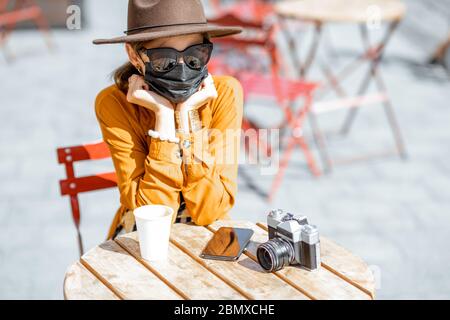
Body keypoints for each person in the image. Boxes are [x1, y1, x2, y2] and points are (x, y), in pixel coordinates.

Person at [92, 0, 244, 239]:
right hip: (140, 232)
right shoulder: (114, 103)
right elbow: (151, 212)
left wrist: (186, 118)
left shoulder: (224, 93)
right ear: (134, 55)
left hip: (208, 231)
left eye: (195, 55)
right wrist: (163, 117)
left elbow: (210, 210)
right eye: (165, 59)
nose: (182, 69)